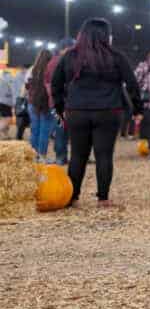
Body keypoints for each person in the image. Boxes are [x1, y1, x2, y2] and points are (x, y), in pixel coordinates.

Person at [51, 18, 143, 208]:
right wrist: (137, 109)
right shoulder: (116, 56)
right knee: (104, 155)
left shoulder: (70, 56)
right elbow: (132, 84)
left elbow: (56, 84)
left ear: (82, 34)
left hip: (76, 111)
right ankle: (103, 198)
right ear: (106, 35)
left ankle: (72, 197)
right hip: (109, 111)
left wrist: (60, 109)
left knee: (77, 155)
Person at [43, 38, 76, 164]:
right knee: (63, 130)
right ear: (65, 48)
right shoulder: (63, 61)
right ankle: (63, 157)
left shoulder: (52, 62)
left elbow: (47, 82)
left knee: (61, 129)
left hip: (56, 102)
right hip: (64, 101)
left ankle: (61, 157)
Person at [26, 48, 56, 162]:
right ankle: (42, 156)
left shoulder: (31, 70)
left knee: (35, 130)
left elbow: (27, 86)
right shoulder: (51, 69)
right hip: (46, 104)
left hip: (33, 103)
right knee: (44, 131)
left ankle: (32, 156)